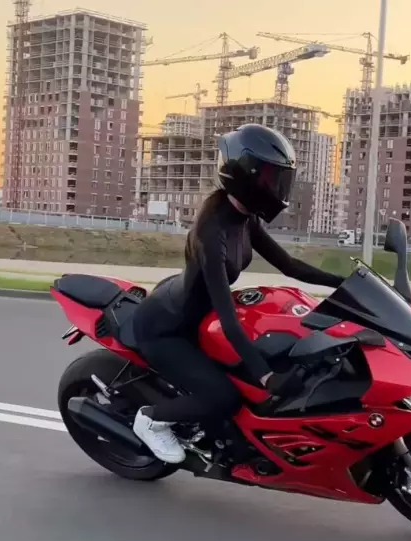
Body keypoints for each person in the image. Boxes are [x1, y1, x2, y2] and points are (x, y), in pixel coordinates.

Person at [131, 124, 345, 463]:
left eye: (281, 179)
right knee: (224, 396)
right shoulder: (212, 232)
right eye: (271, 178)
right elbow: (228, 321)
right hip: (169, 329)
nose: (277, 188)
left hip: (196, 311)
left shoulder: (244, 217)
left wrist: (347, 283)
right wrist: (267, 377)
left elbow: (289, 265)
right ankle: (151, 419)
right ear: (246, 176)